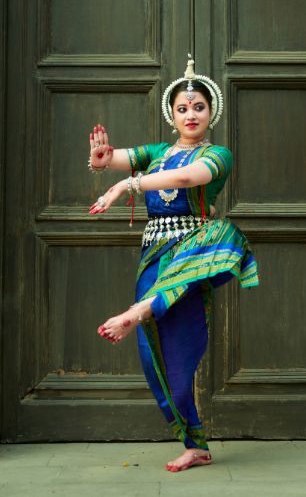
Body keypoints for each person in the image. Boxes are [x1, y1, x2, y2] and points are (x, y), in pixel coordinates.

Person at [88, 57, 259, 473]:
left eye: (198, 106)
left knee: (179, 352)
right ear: (172, 115)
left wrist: (126, 184)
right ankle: (195, 443)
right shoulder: (158, 153)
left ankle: (138, 311)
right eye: (182, 108)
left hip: (194, 250)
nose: (191, 114)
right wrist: (100, 159)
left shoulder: (219, 154)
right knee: (158, 360)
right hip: (154, 258)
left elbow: (187, 180)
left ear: (210, 111)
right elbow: (116, 159)